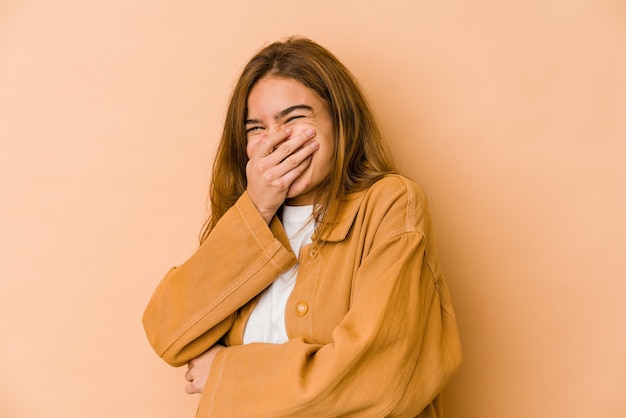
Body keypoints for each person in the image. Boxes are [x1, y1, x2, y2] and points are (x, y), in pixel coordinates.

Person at [142, 36, 462, 417]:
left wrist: (226, 374)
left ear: (340, 121)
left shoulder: (391, 203)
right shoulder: (246, 221)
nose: (276, 140)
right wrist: (258, 206)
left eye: (294, 118)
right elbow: (169, 334)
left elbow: (377, 375)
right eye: (256, 128)